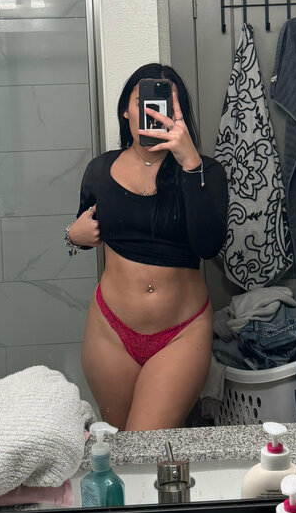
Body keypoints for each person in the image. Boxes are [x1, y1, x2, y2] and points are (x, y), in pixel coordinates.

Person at [66, 64, 228, 431]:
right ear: (126, 109)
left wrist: (190, 163)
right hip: (109, 332)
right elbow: (84, 229)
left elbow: (209, 246)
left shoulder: (207, 171)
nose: (152, 111)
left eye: (166, 103)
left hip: (182, 333)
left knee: (147, 442)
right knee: (124, 448)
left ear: (179, 112)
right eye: (142, 101)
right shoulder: (99, 170)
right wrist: (72, 236)